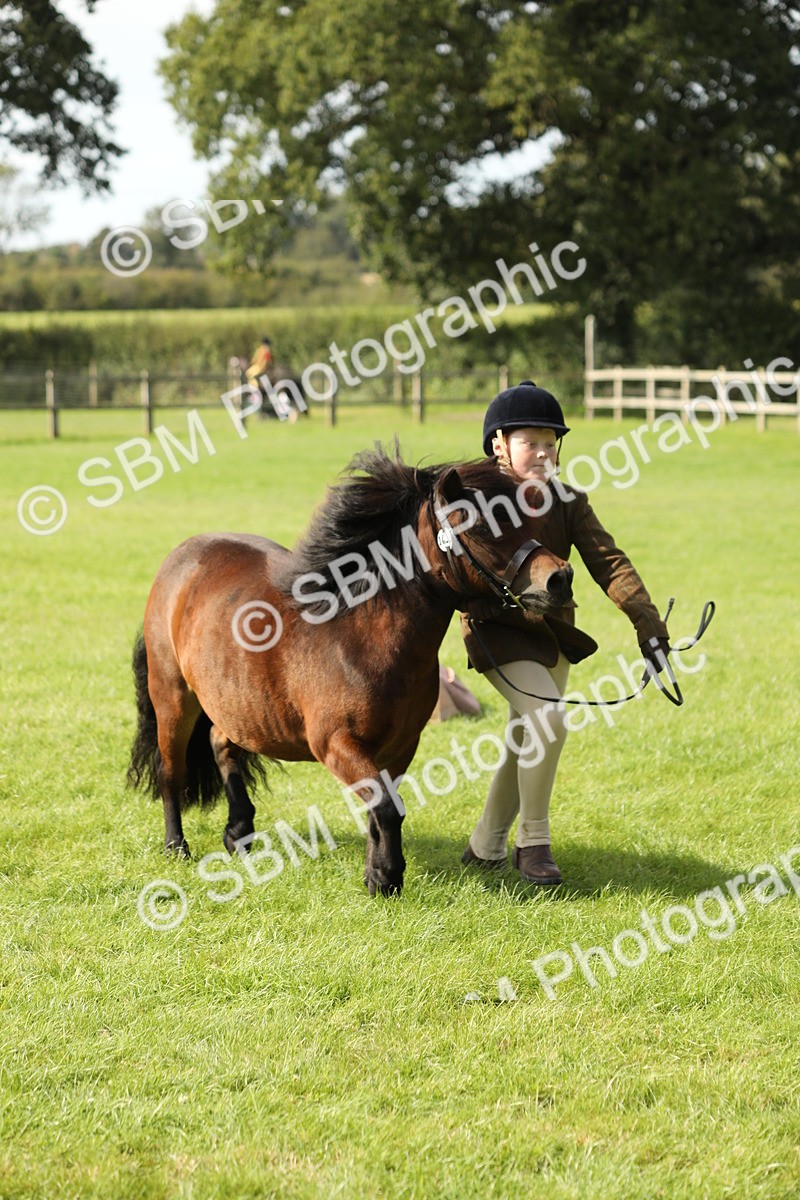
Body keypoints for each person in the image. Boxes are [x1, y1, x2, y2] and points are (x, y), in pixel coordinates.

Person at [460, 380, 670, 885]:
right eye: (530, 442)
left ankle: (484, 846)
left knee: (525, 735)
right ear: (498, 444)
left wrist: (648, 624)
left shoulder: (569, 500)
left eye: (550, 443)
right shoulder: (474, 500)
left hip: (555, 633)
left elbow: (609, 562)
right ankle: (533, 842)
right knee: (548, 720)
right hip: (496, 630)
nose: (543, 452)